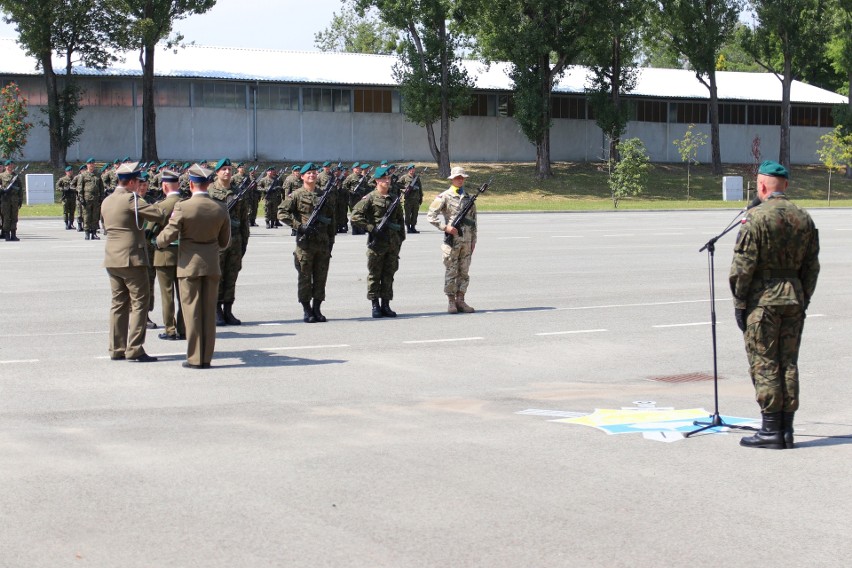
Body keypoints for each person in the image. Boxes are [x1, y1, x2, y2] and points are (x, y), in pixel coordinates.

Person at [730, 160, 820, 450]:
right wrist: (802, 297)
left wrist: (740, 303)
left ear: (762, 186)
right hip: (794, 298)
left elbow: (742, 267)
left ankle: (770, 430)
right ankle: (786, 430)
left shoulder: (755, 217)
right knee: (788, 363)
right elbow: (812, 267)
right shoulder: (804, 218)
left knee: (766, 362)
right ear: (786, 186)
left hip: (764, 301)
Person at [157, 164, 231, 369]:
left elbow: (167, 235)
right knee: (208, 312)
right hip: (212, 265)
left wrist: (159, 240)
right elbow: (225, 242)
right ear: (209, 184)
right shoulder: (221, 207)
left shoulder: (183, 207)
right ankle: (206, 357)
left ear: (190, 184)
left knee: (192, 312)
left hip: (188, 265)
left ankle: (195, 358)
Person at [100, 161, 166, 362]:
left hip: (112, 257)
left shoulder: (107, 200)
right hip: (131, 258)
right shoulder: (131, 199)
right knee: (139, 303)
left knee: (118, 303)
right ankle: (135, 348)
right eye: (138, 181)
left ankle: (116, 348)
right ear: (131, 182)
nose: (140, 184)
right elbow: (158, 214)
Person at [278, 162, 336, 323]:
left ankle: (317, 308)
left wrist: (331, 241)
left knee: (320, 277)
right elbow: (281, 213)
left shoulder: (324, 195)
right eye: (308, 173)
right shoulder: (296, 195)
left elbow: (331, 220)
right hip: (305, 245)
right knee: (304, 277)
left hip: (322, 243)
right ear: (302, 176)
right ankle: (307, 309)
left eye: (314, 173)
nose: (312, 175)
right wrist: (299, 227)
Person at [351, 165, 406, 318]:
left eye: (388, 178)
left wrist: (400, 238)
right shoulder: (369, 198)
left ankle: (386, 304)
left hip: (392, 243)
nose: (387, 181)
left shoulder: (394, 198)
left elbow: (400, 221)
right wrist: (371, 228)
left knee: (389, 274)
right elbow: (355, 217)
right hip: (377, 244)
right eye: (383, 179)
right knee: (375, 275)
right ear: (376, 180)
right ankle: (375, 304)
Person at [427, 166, 478, 314]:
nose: (460, 180)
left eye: (462, 177)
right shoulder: (444, 196)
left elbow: (474, 221)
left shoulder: (468, 198)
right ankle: (451, 302)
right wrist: (445, 227)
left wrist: (474, 240)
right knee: (451, 271)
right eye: (457, 177)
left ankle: (460, 300)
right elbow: (431, 215)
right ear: (452, 179)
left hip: (467, 241)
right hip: (453, 241)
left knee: (464, 271)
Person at [209, 158, 250, 326]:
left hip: (235, 241)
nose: (227, 172)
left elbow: (243, 220)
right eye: (223, 169)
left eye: (229, 169)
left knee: (231, 276)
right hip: (217, 242)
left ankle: (228, 310)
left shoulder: (238, 191)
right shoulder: (210, 191)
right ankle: (216, 310)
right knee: (217, 276)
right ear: (217, 172)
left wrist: (244, 243)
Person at [151, 169, 186, 341]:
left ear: (164, 186)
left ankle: (170, 329)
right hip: (183, 255)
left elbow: (149, 230)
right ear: (178, 185)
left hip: (164, 254)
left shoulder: (161, 206)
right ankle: (184, 327)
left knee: (167, 295)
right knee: (183, 295)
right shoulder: (186, 204)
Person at [78, 158, 104, 240]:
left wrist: (101, 197)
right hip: (87, 199)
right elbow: (80, 187)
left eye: (93, 164)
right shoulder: (83, 175)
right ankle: (86, 232)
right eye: (90, 164)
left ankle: (94, 233)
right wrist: (81, 198)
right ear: (87, 165)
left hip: (96, 199)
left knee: (95, 216)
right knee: (86, 216)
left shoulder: (97, 174)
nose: (91, 165)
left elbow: (101, 187)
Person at [0, 159, 24, 241]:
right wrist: (3, 190)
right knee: (6, 217)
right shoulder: (1, 176)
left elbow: (20, 189)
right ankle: (6, 234)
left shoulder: (16, 176)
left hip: (14, 200)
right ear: (6, 167)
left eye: (12, 165)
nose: (10, 167)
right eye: (8, 165)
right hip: (5, 200)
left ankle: (13, 234)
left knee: (14, 217)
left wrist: (21, 200)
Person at [398, 163, 423, 233]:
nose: (412, 171)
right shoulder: (404, 177)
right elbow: (397, 184)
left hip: (416, 199)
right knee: (408, 214)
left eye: (413, 169)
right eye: (410, 169)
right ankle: (408, 228)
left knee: (415, 214)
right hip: (408, 199)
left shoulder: (417, 178)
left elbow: (420, 188)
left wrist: (421, 197)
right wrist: (405, 188)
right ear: (408, 170)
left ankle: (413, 227)